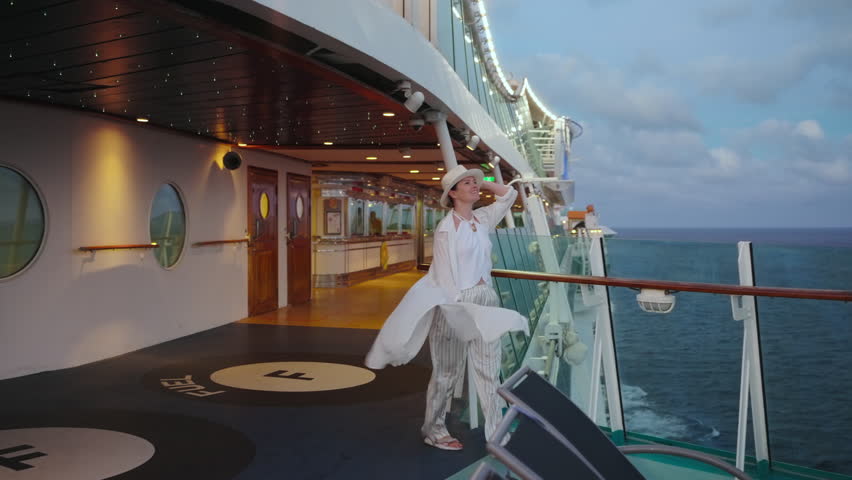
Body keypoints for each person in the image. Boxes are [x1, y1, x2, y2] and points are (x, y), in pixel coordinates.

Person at [365, 165, 526, 451]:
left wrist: (484, 183)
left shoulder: (482, 219)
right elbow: (444, 276)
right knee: (446, 372)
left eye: (473, 182)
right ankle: (434, 429)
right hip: (454, 304)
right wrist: (458, 308)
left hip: (486, 299)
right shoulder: (445, 229)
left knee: (490, 369)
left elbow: (510, 195)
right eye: (466, 184)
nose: (473, 186)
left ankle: (496, 432)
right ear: (452, 194)